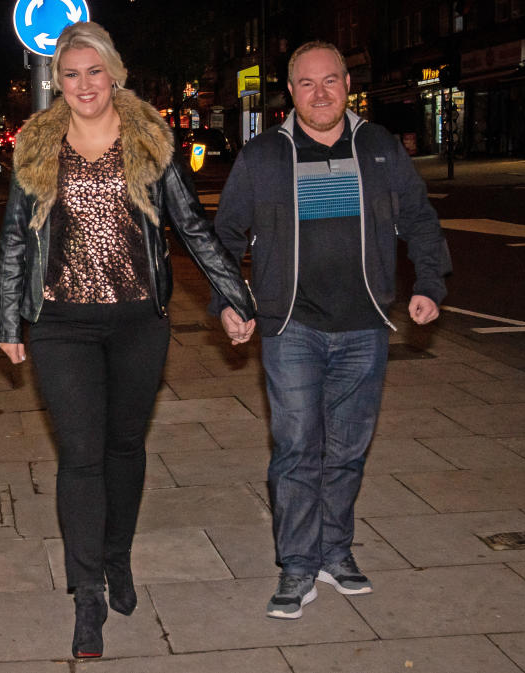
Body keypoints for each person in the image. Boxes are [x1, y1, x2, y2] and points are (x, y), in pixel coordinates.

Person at [0, 21, 255, 658]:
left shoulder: (150, 144)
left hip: (139, 320)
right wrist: (7, 320)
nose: (83, 85)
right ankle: (87, 594)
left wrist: (234, 298)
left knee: (124, 447)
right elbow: (16, 241)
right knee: (81, 454)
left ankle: (117, 558)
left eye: (94, 71)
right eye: (71, 73)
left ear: (114, 74)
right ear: (60, 81)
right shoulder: (35, 148)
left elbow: (192, 228)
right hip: (61, 324)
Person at [212, 41, 451, 620]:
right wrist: (230, 301)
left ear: (348, 84)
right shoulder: (265, 155)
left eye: (331, 82)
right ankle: (297, 566)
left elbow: (420, 219)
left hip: (365, 326)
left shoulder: (378, 147)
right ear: (289, 91)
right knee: (297, 449)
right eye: (306, 84)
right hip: (290, 326)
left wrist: (429, 285)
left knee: (346, 451)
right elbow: (224, 238)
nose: (320, 94)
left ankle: (335, 552)